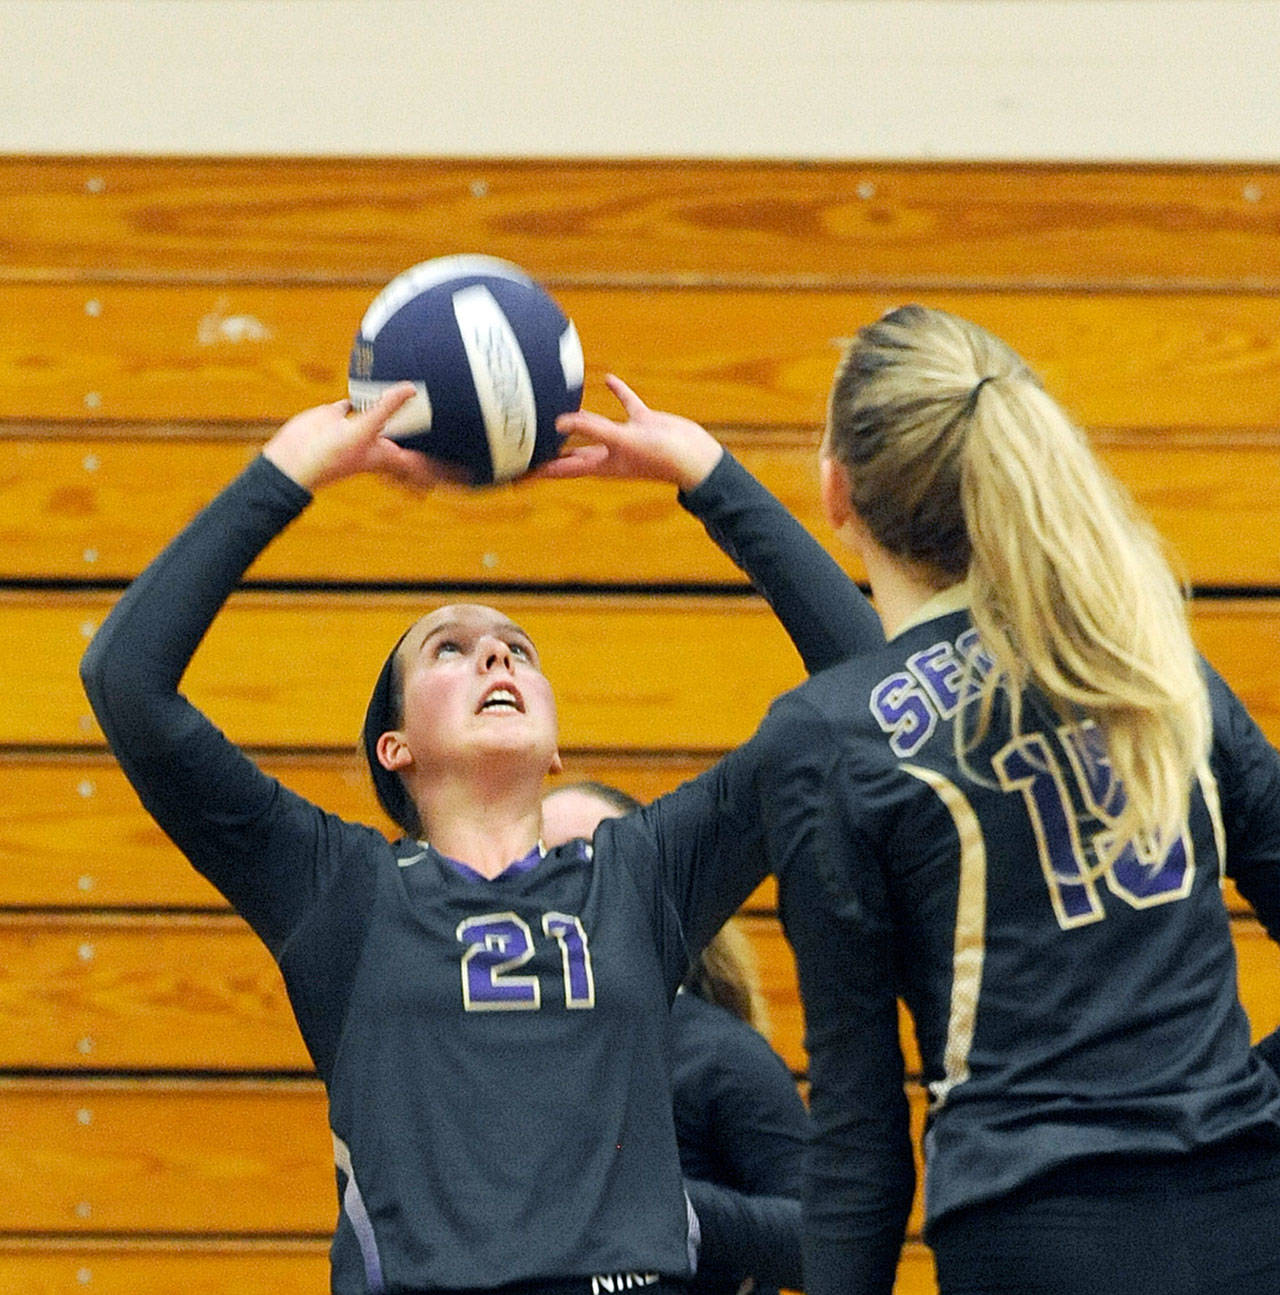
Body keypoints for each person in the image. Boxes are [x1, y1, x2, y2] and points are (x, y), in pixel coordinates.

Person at [79, 378, 884, 1295]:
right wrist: (292, 470)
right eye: (448, 648)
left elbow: (866, 688)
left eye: (516, 647)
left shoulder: (639, 877)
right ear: (397, 748)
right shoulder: (340, 889)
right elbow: (126, 682)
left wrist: (703, 473)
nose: (496, 654)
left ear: (553, 749)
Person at [605, 303, 1280, 1295]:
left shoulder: (831, 734)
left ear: (836, 490)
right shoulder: (1154, 663)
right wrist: (1232, 1102)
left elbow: (858, 1126)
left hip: (1033, 1236)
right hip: (1249, 1218)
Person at [541, 780, 807, 1295]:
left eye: (583, 857)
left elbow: (820, 1237)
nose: (556, 883)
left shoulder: (718, 1056)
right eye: (533, 863)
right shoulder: (475, 1052)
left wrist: (660, 1206)